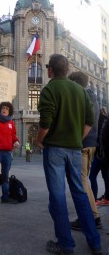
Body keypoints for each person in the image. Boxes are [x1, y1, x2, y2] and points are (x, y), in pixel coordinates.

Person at [37, 54, 102, 255]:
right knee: (80, 193)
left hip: (55, 149)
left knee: (57, 196)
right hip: (75, 150)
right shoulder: (81, 91)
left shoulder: (49, 89)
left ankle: (65, 244)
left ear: (50, 70)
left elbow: (45, 121)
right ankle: (95, 243)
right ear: (66, 70)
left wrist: (39, 139)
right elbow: (90, 121)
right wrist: (76, 138)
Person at [67, 71, 102, 230]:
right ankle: (94, 217)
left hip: (82, 143)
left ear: (74, 83)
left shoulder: (80, 95)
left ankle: (89, 218)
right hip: (92, 144)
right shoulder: (93, 96)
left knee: (81, 182)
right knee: (84, 181)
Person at [90, 107, 109, 206]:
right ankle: (106, 198)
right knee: (106, 177)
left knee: (93, 176)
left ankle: (95, 199)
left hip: (101, 156)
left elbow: (102, 139)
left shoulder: (102, 120)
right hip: (102, 156)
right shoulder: (104, 119)